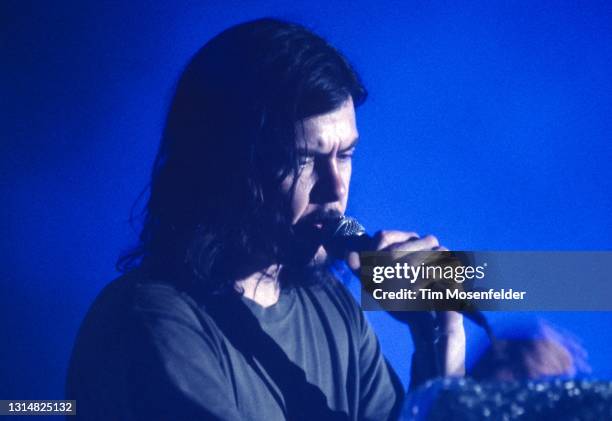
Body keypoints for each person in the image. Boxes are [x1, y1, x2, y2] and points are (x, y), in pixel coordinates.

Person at [66, 18, 465, 420]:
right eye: (302, 159)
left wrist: (440, 340)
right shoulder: (152, 320)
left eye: (344, 156)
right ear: (228, 165)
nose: (335, 187)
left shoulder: (332, 307)